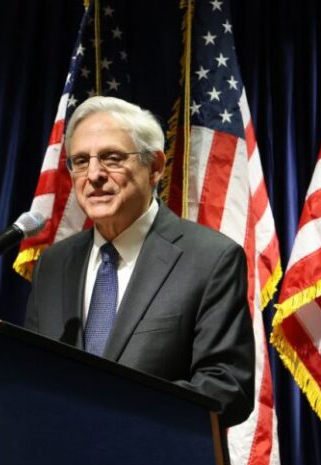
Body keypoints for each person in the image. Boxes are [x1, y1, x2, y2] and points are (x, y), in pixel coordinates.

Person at [24, 96, 254, 426]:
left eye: (111, 158)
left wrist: (121, 416)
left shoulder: (211, 258)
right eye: (79, 161)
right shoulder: (53, 264)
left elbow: (227, 386)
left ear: (155, 167)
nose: (93, 175)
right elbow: (32, 374)